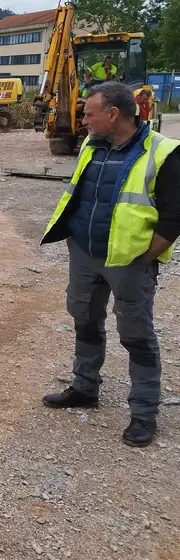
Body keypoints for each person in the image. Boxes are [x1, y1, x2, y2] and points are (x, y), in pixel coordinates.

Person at [41, 82, 180, 447]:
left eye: (90, 114)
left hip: (130, 263)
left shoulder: (162, 152)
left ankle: (144, 414)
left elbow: (173, 218)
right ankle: (85, 388)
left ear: (113, 114)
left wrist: (145, 258)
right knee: (85, 321)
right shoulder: (92, 146)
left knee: (136, 336)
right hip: (85, 254)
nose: (84, 120)